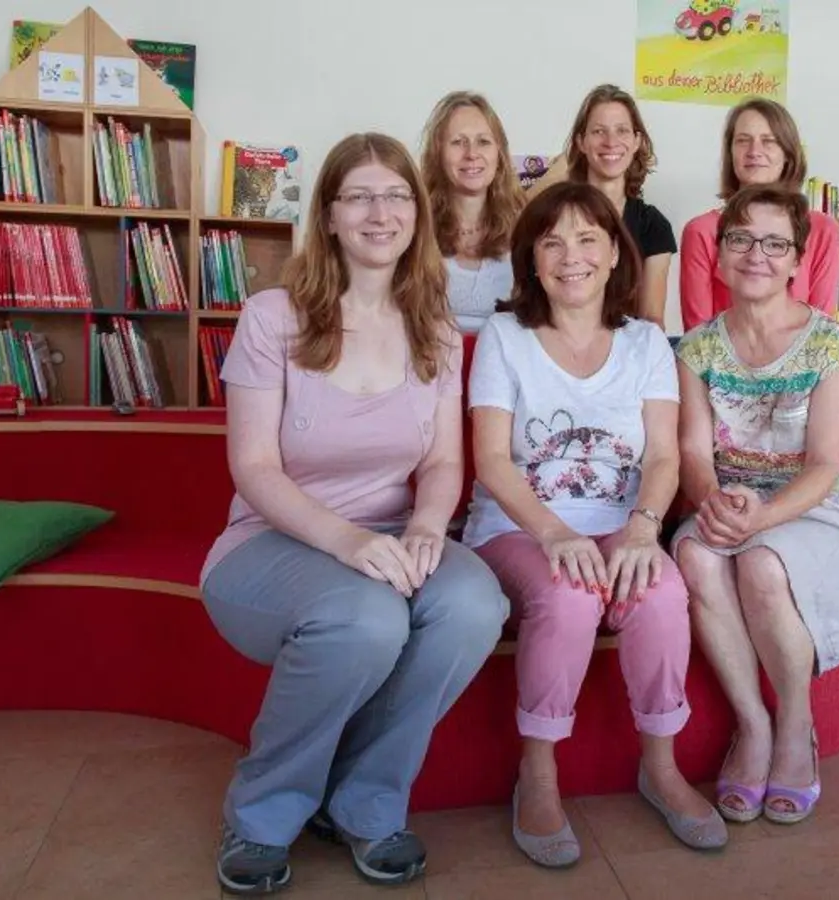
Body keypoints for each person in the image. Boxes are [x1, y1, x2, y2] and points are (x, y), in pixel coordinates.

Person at [198, 132, 509, 893]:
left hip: (394, 539)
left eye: (398, 195)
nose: (382, 212)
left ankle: (366, 804)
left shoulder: (434, 324)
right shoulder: (273, 316)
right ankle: (262, 815)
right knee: (367, 618)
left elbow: (441, 462)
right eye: (360, 196)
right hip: (275, 542)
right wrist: (344, 541)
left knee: (475, 603)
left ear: (417, 214)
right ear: (329, 215)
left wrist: (430, 526)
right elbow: (254, 468)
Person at [464, 181, 727, 866]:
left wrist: (644, 529)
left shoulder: (646, 344)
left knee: (662, 590)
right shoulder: (504, 335)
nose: (570, 256)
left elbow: (666, 457)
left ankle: (660, 766)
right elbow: (492, 461)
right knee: (569, 592)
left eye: (587, 239)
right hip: (520, 528)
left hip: (621, 521)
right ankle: (538, 771)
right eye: (552, 241)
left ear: (615, 253)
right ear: (531, 259)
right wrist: (554, 533)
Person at [671, 183, 839, 827]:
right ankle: (752, 724)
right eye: (740, 239)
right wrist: (713, 501)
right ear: (720, 256)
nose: (755, 254)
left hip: (819, 512)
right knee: (696, 558)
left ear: (797, 261)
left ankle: (796, 726)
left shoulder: (831, 345)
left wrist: (758, 518)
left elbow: (824, 465)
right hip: (729, 501)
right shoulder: (698, 347)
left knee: (761, 562)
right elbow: (693, 453)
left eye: (774, 243)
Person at [678, 97, 839, 331]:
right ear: (730, 153)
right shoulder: (701, 231)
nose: (754, 151)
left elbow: (823, 332)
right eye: (743, 141)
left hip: (804, 365)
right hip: (720, 364)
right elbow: (697, 338)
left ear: (788, 153)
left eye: (768, 141)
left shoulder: (823, 230)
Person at [560, 84, 676, 329]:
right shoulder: (555, 214)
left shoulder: (653, 225)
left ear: (637, 141)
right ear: (581, 141)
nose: (611, 142)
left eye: (622, 130)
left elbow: (651, 322)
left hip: (625, 355)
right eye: (599, 131)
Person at [420, 90, 525, 335]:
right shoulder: (414, 227)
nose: (471, 154)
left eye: (483, 141)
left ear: (499, 152)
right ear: (438, 153)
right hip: (433, 366)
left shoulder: (527, 229)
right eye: (458, 142)